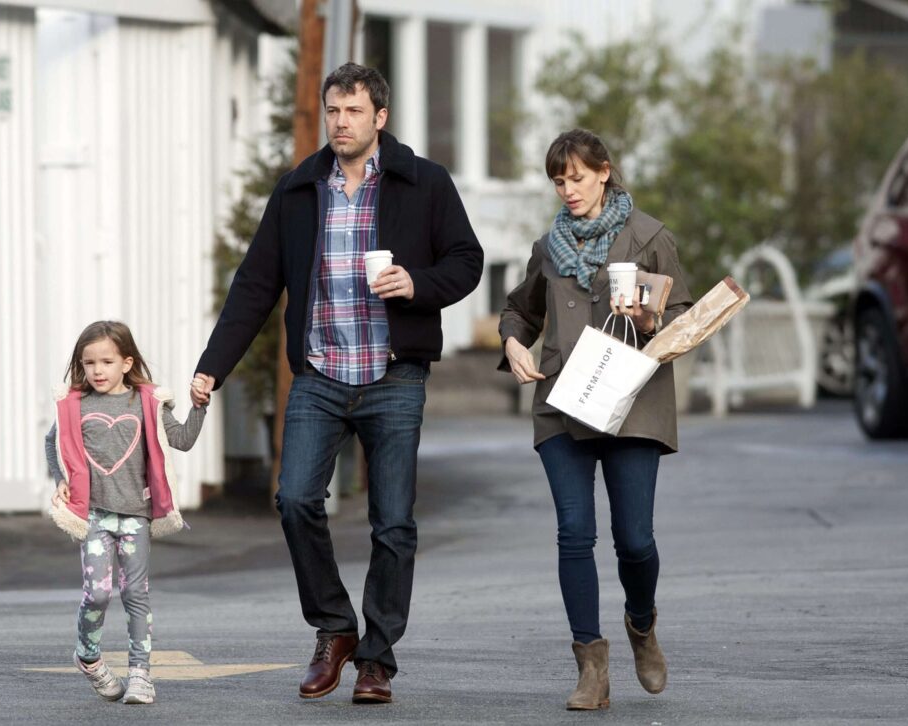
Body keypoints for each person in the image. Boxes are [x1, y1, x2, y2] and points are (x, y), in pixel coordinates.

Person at [191, 62, 483, 704]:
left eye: (353, 111)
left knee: (392, 524)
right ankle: (334, 627)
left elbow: (467, 260)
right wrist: (213, 365)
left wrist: (415, 284)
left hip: (393, 375)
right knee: (295, 499)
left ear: (380, 117)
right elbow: (256, 284)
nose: (340, 122)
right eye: (333, 111)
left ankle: (377, 658)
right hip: (321, 373)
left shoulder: (423, 182)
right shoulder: (300, 190)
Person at [499, 129, 692, 710]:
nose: (568, 190)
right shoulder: (547, 247)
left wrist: (652, 315)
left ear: (604, 171)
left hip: (633, 402)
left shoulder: (649, 236)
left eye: (578, 177)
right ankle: (591, 667)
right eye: (559, 181)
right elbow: (518, 309)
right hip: (563, 403)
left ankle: (641, 623)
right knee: (573, 532)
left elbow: (683, 311)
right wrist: (513, 344)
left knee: (634, 540)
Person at [46, 320, 208, 705]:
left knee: (136, 593)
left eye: (106, 361)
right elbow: (51, 442)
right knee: (98, 594)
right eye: (89, 363)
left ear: (126, 362)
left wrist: (200, 407)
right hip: (95, 516)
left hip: (136, 515)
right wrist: (59, 479)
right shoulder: (74, 405)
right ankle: (88, 657)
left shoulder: (147, 402)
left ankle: (140, 675)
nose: (97, 370)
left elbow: (182, 440)